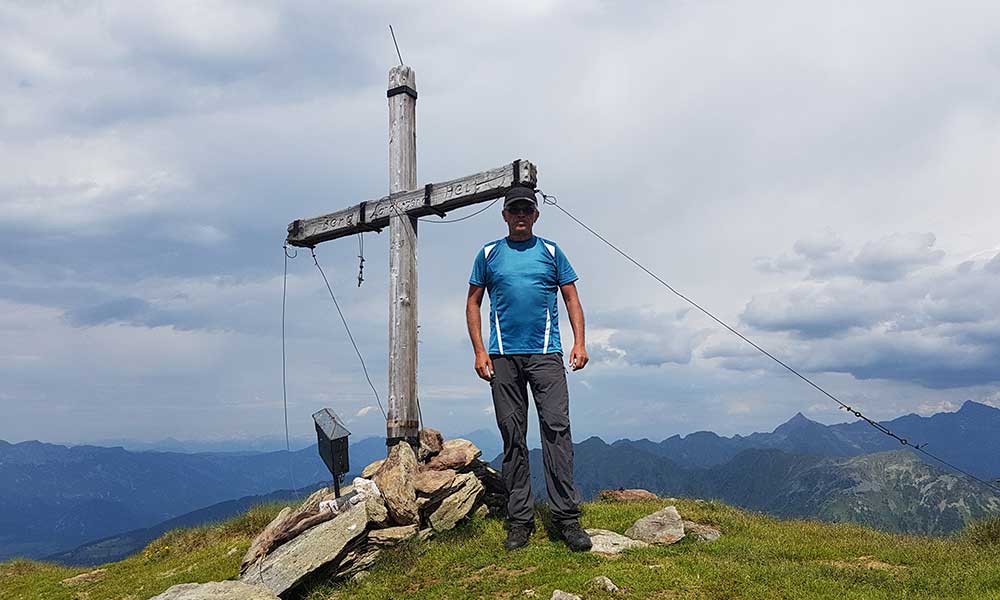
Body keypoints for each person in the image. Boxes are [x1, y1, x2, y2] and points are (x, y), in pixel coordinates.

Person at [465, 185, 592, 552]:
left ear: (535, 215)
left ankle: (566, 519)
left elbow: (571, 298)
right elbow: (473, 304)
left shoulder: (551, 252)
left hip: (546, 355)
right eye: (514, 210)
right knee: (512, 434)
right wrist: (479, 351)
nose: (520, 216)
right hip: (503, 356)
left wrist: (579, 343)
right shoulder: (488, 254)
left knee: (556, 430)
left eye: (527, 210)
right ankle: (519, 521)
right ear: (504, 215)